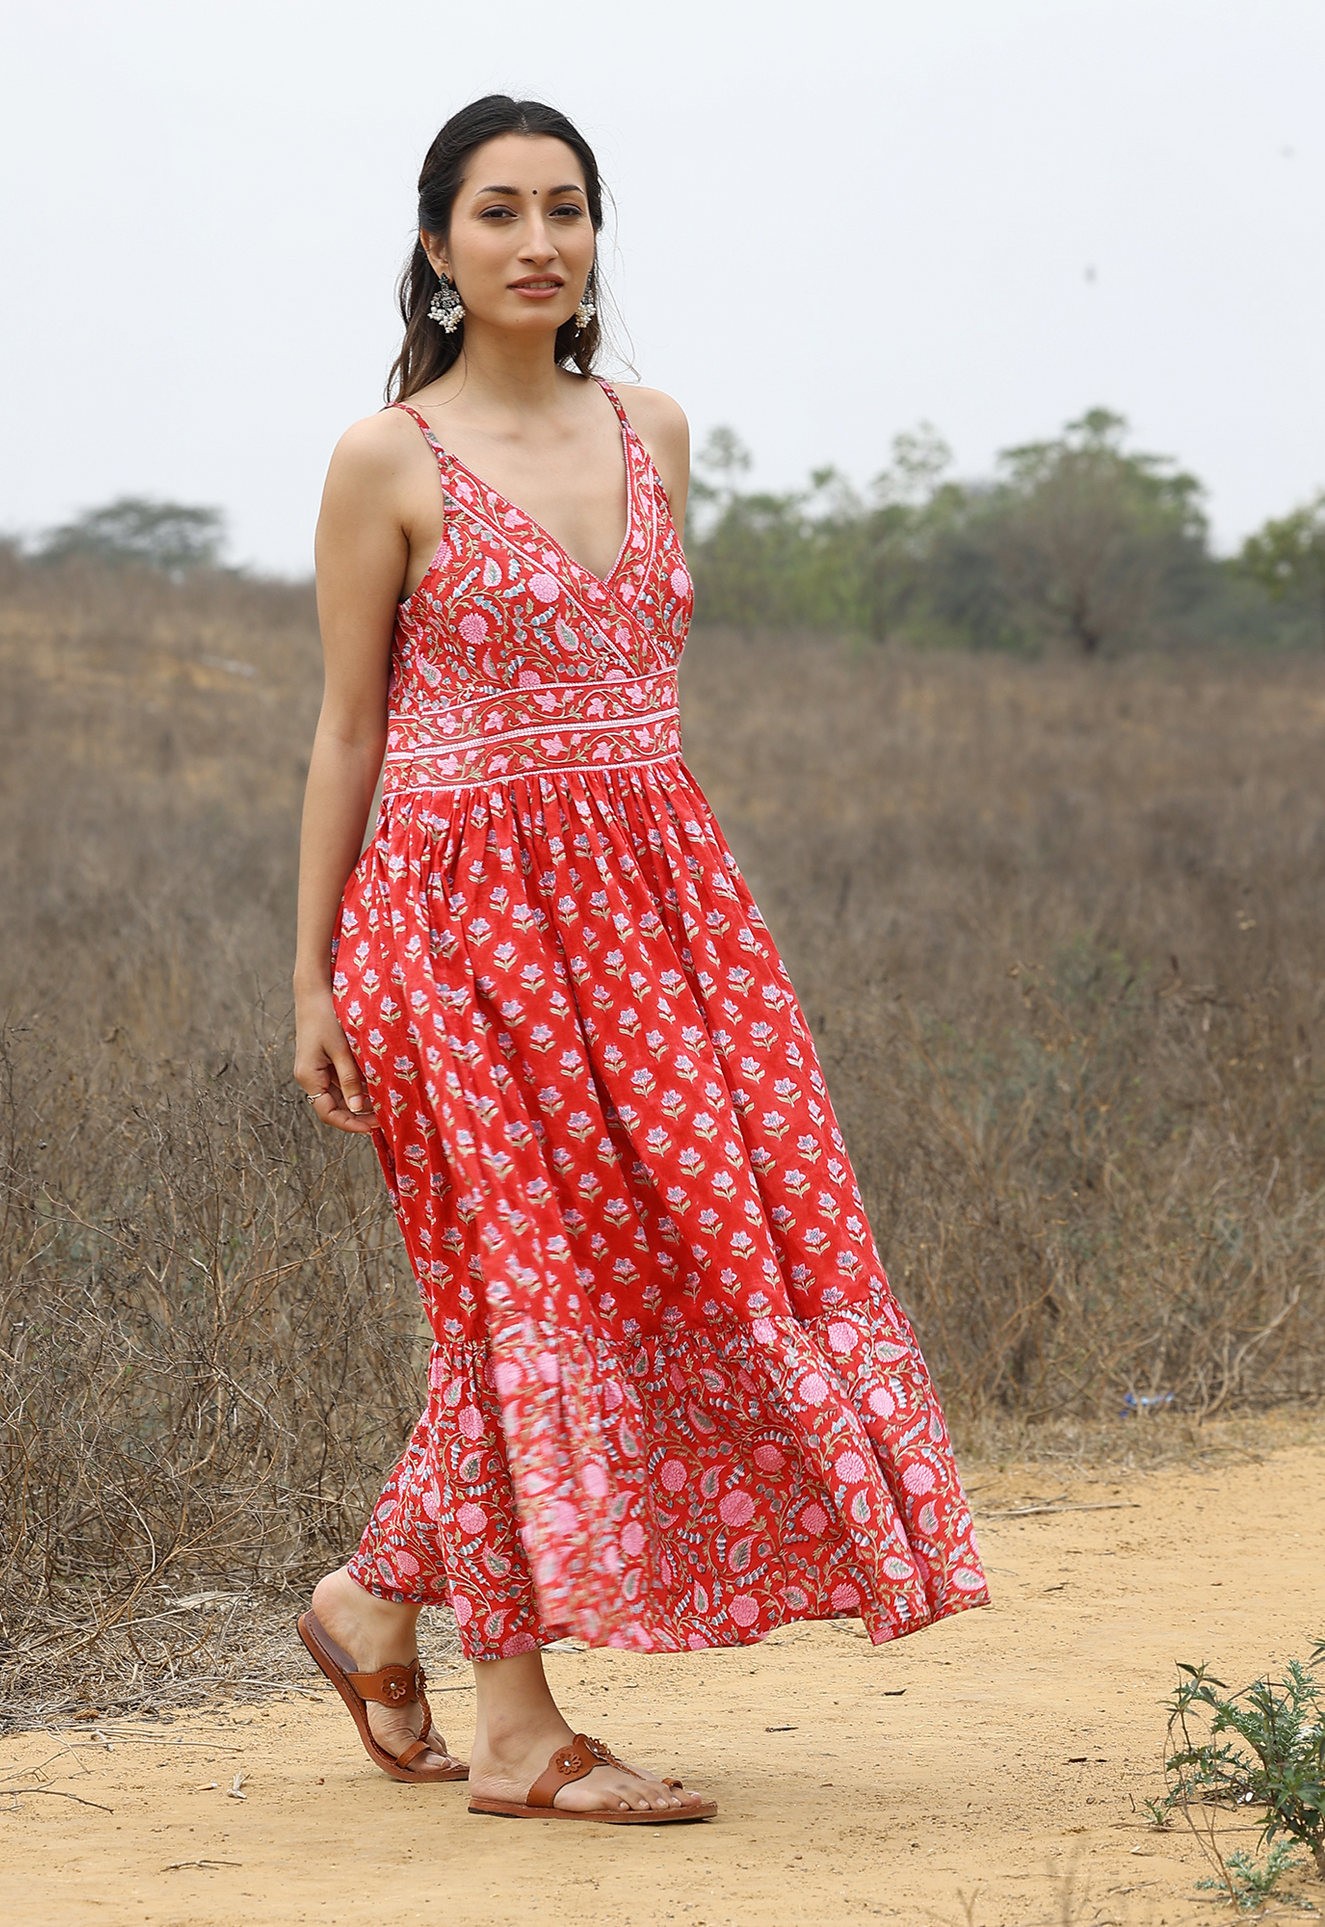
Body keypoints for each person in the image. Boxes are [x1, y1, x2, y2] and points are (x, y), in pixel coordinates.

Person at [292, 94, 988, 1826]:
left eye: (569, 210)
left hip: (664, 915)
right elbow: (347, 732)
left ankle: (376, 1597)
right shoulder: (388, 457)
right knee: (514, 1298)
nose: (540, 240)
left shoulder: (658, 427)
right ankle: (518, 1730)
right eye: (500, 210)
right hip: (455, 932)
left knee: (689, 1268)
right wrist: (309, 982)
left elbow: (642, 695)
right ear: (438, 245)